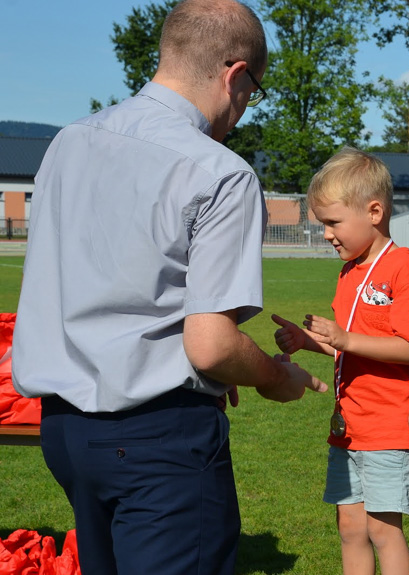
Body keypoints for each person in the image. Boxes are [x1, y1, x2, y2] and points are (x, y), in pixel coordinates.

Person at [11, 1, 327, 574]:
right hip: (156, 439)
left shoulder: (68, 142)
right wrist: (276, 376)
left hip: (63, 429)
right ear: (235, 75)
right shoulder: (220, 172)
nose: (242, 111)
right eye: (252, 90)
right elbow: (209, 343)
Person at [272, 147, 409, 575]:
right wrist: (308, 342)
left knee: (384, 529)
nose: (327, 234)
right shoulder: (350, 271)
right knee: (349, 526)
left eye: (333, 222)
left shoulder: (404, 271)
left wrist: (345, 337)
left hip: (391, 425)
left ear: (375, 211)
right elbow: (350, 347)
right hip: (350, 427)